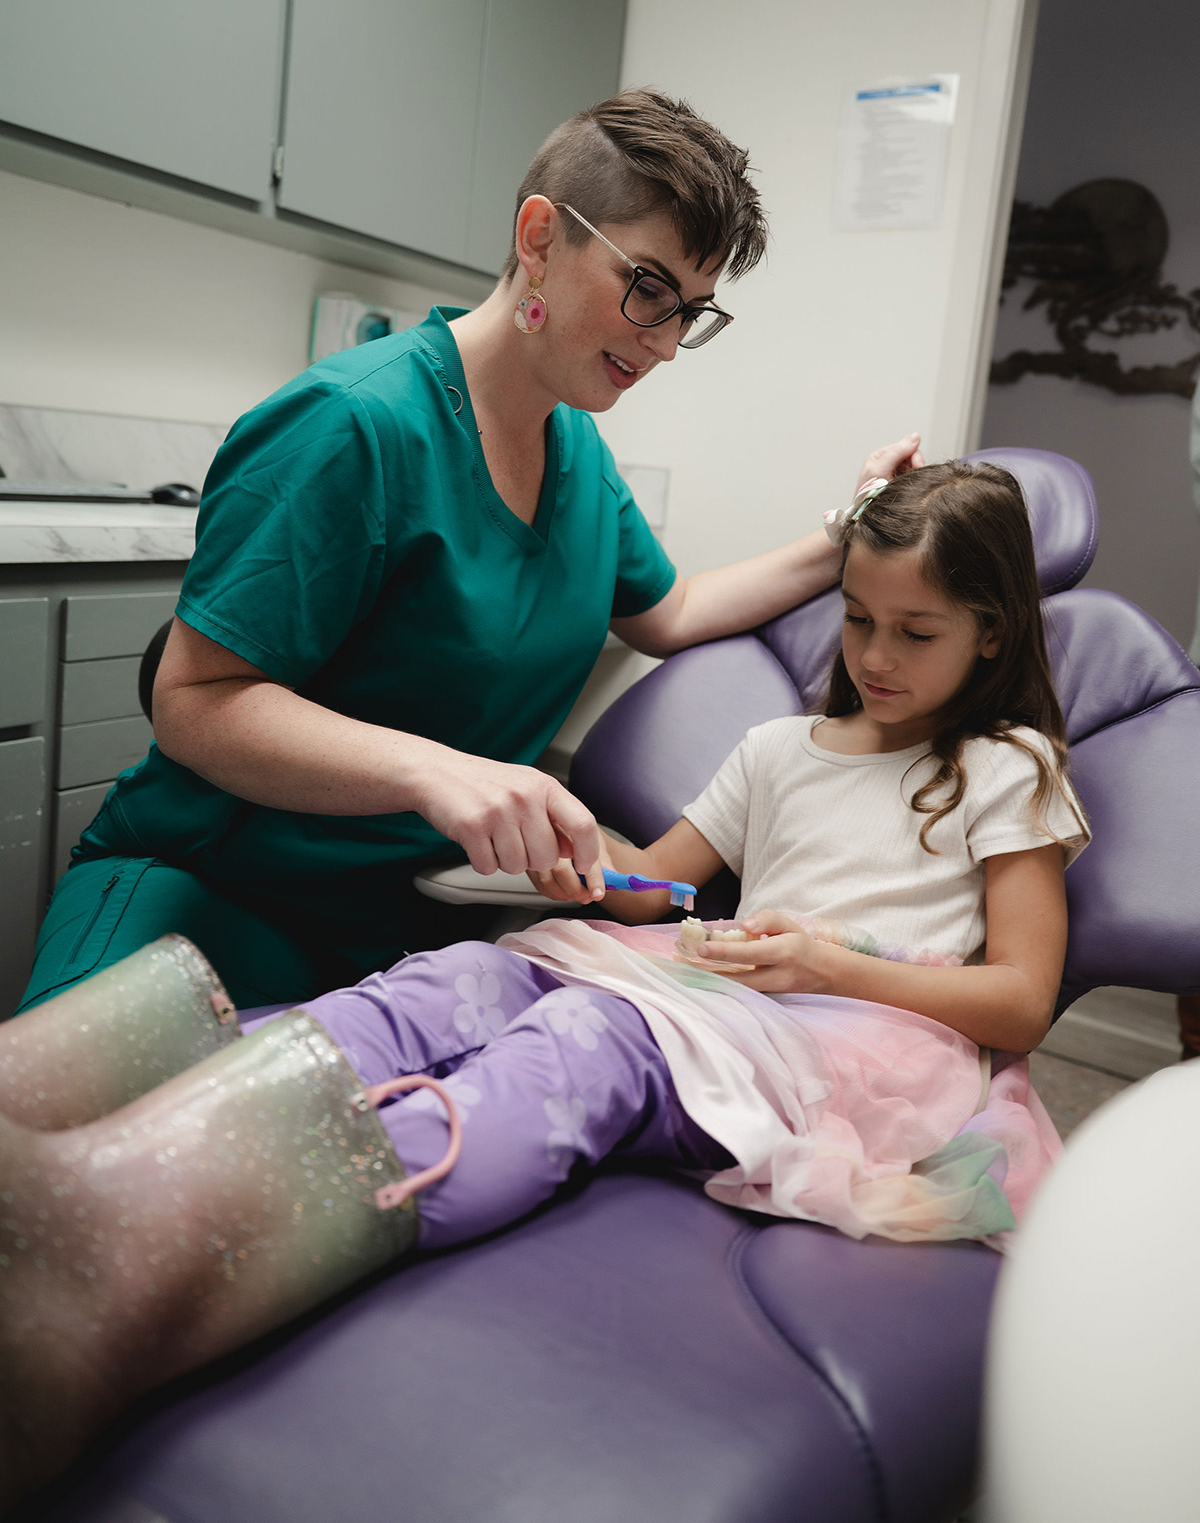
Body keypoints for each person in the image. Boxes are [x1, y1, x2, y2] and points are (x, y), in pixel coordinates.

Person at [1, 459, 1087, 1507]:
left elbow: (1021, 1000)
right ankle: (68, 1112)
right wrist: (584, 871)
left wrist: (828, 964)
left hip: (856, 1036)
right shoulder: (780, 748)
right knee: (459, 978)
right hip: (714, 982)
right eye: (857, 619)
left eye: (916, 632)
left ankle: (194, 1225)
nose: (875, 654)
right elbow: (655, 892)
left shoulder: (1008, 769)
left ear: (990, 632)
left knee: (585, 1039)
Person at [16, 90, 922, 1015]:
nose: (665, 345)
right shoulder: (352, 424)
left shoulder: (577, 453)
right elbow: (193, 702)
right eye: (647, 288)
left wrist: (848, 535)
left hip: (399, 934)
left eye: (689, 312)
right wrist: (437, 770)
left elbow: (671, 612)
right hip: (215, 898)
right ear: (540, 238)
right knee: (51, 1147)